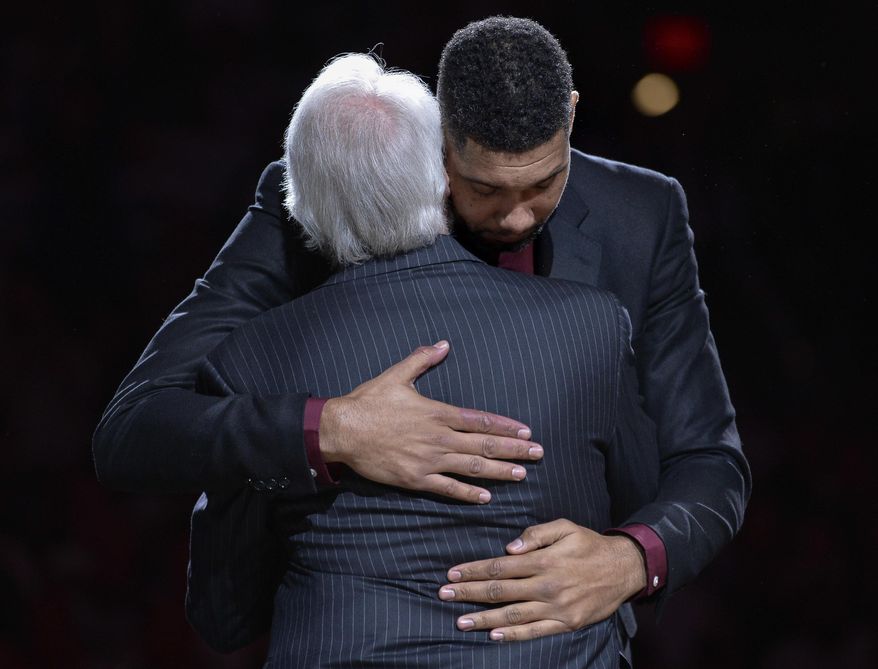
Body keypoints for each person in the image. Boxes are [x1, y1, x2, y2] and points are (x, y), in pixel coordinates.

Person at [93, 14, 750, 657]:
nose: (515, 217)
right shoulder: (328, 194)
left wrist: (633, 558)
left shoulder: (643, 216)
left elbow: (709, 458)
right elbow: (135, 427)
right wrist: (332, 429)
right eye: (484, 188)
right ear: (440, 134)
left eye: (543, 183)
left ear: (572, 115)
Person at [193, 51, 657, 667]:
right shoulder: (591, 323)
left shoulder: (252, 359)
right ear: (440, 171)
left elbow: (224, 616)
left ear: (297, 198)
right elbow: (637, 509)